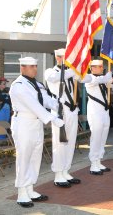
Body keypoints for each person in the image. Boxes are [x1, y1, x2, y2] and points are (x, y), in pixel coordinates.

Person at [9, 57, 64, 208]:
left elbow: (44, 100)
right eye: (31, 66)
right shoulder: (18, 85)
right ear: (22, 68)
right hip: (24, 123)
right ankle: (21, 192)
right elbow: (34, 105)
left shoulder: (37, 84)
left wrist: (57, 103)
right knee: (24, 157)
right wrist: (52, 118)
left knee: (35, 156)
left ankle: (30, 188)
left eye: (35, 66)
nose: (35, 69)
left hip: (36, 122)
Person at [44, 48, 81, 187]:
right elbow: (55, 78)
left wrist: (81, 68)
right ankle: (58, 174)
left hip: (72, 109)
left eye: (65, 57)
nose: (62, 59)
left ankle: (66, 170)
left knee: (71, 141)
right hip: (60, 110)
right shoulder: (51, 71)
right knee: (59, 142)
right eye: (60, 57)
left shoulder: (71, 73)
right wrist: (74, 70)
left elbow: (85, 78)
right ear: (57, 58)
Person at [84, 59, 113, 175]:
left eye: (102, 67)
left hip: (104, 111)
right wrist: (107, 77)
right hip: (95, 111)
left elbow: (108, 82)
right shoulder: (89, 78)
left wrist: (110, 78)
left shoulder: (101, 79)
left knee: (103, 136)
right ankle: (93, 163)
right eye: (100, 67)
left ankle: (99, 160)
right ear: (93, 68)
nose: (102, 68)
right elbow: (100, 79)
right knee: (96, 136)